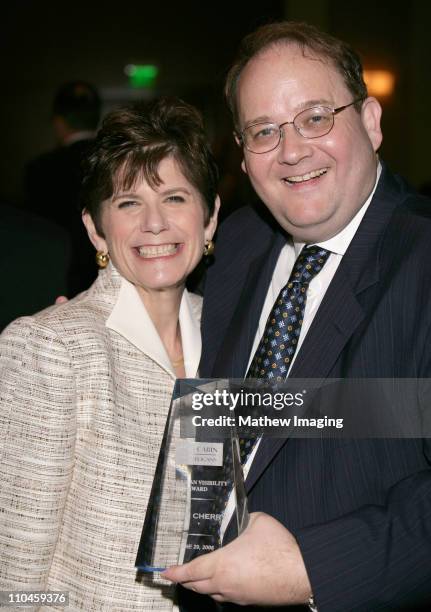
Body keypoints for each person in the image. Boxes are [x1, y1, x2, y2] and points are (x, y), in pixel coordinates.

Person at [164, 21, 431, 611]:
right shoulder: (235, 245)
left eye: (315, 117)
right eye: (264, 131)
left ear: (370, 121)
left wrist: (311, 568)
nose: (291, 150)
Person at [0, 96, 219, 610]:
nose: (154, 223)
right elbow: (15, 575)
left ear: (208, 221)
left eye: (175, 198)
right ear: (96, 228)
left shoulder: (234, 332)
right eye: (128, 203)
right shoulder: (51, 348)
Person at [24, 81, 102, 295]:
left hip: (54, 278)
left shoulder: (40, 169)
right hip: (105, 276)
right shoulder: (112, 163)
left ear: (59, 122)